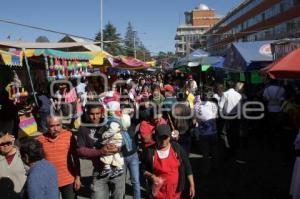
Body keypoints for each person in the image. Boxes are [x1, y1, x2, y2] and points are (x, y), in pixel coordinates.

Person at [76, 104, 125, 199]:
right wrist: (100, 152)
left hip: (117, 168)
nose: (95, 117)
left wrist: (118, 148)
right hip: (99, 170)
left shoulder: (111, 123)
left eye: (97, 113)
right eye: (91, 114)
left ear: (102, 113)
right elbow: (80, 150)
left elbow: (127, 141)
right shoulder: (83, 128)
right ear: (86, 114)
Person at [142, 124, 195, 199]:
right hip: (158, 192)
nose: (163, 140)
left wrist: (192, 185)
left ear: (170, 137)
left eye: (166, 137)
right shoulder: (149, 152)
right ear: (156, 137)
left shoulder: (177, 148)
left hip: (175, 191)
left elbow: (187, 166)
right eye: (160, 137)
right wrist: (152, 176)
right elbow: (143, 170)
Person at [37, 115, 81, 199]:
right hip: (49, 182)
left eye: (58, 125)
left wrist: (78, 177)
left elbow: (76, 158)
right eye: (52, 126)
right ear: (47, 126)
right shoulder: (40, 140)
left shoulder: (69, 136)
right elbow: (38, 163)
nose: (55, 129)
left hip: (68, 180)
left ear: (61, 125)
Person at [0, 132, 27, 199]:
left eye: (8, 142)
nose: (5, 145)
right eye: (2, 143)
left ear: (13, 141)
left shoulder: (23, 155)